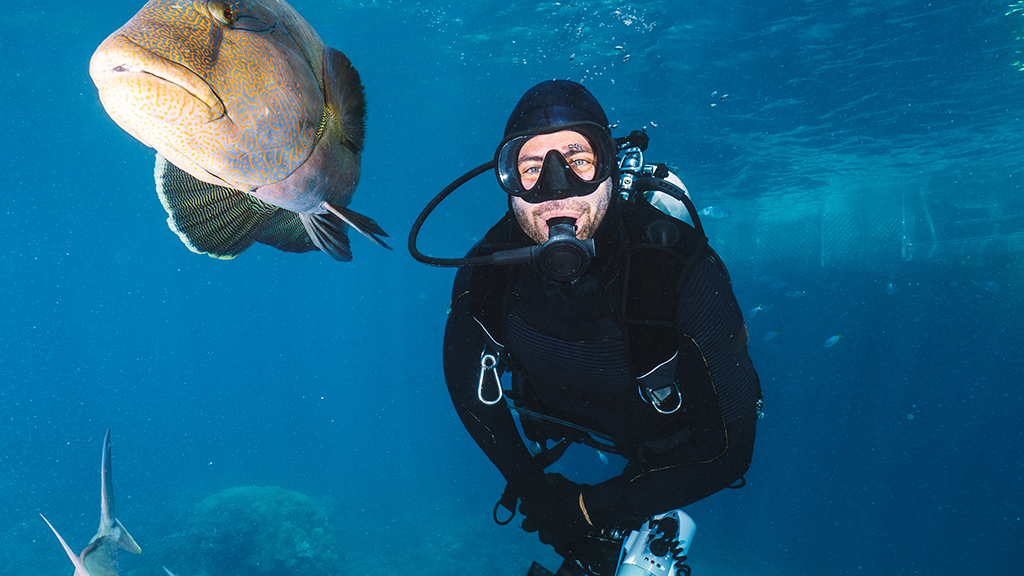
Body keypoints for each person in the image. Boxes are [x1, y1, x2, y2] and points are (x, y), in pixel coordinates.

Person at [438, 80, 762, 576]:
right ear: (507, 182)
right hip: (557, 422)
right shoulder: (487, 272)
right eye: (530, 167)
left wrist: (586, 510)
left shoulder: (679, 269)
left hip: (659, 443)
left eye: (579, 160)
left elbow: (727, 448)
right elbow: (468, 390)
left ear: (610, 167)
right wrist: (532, 487)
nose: (556, 187)